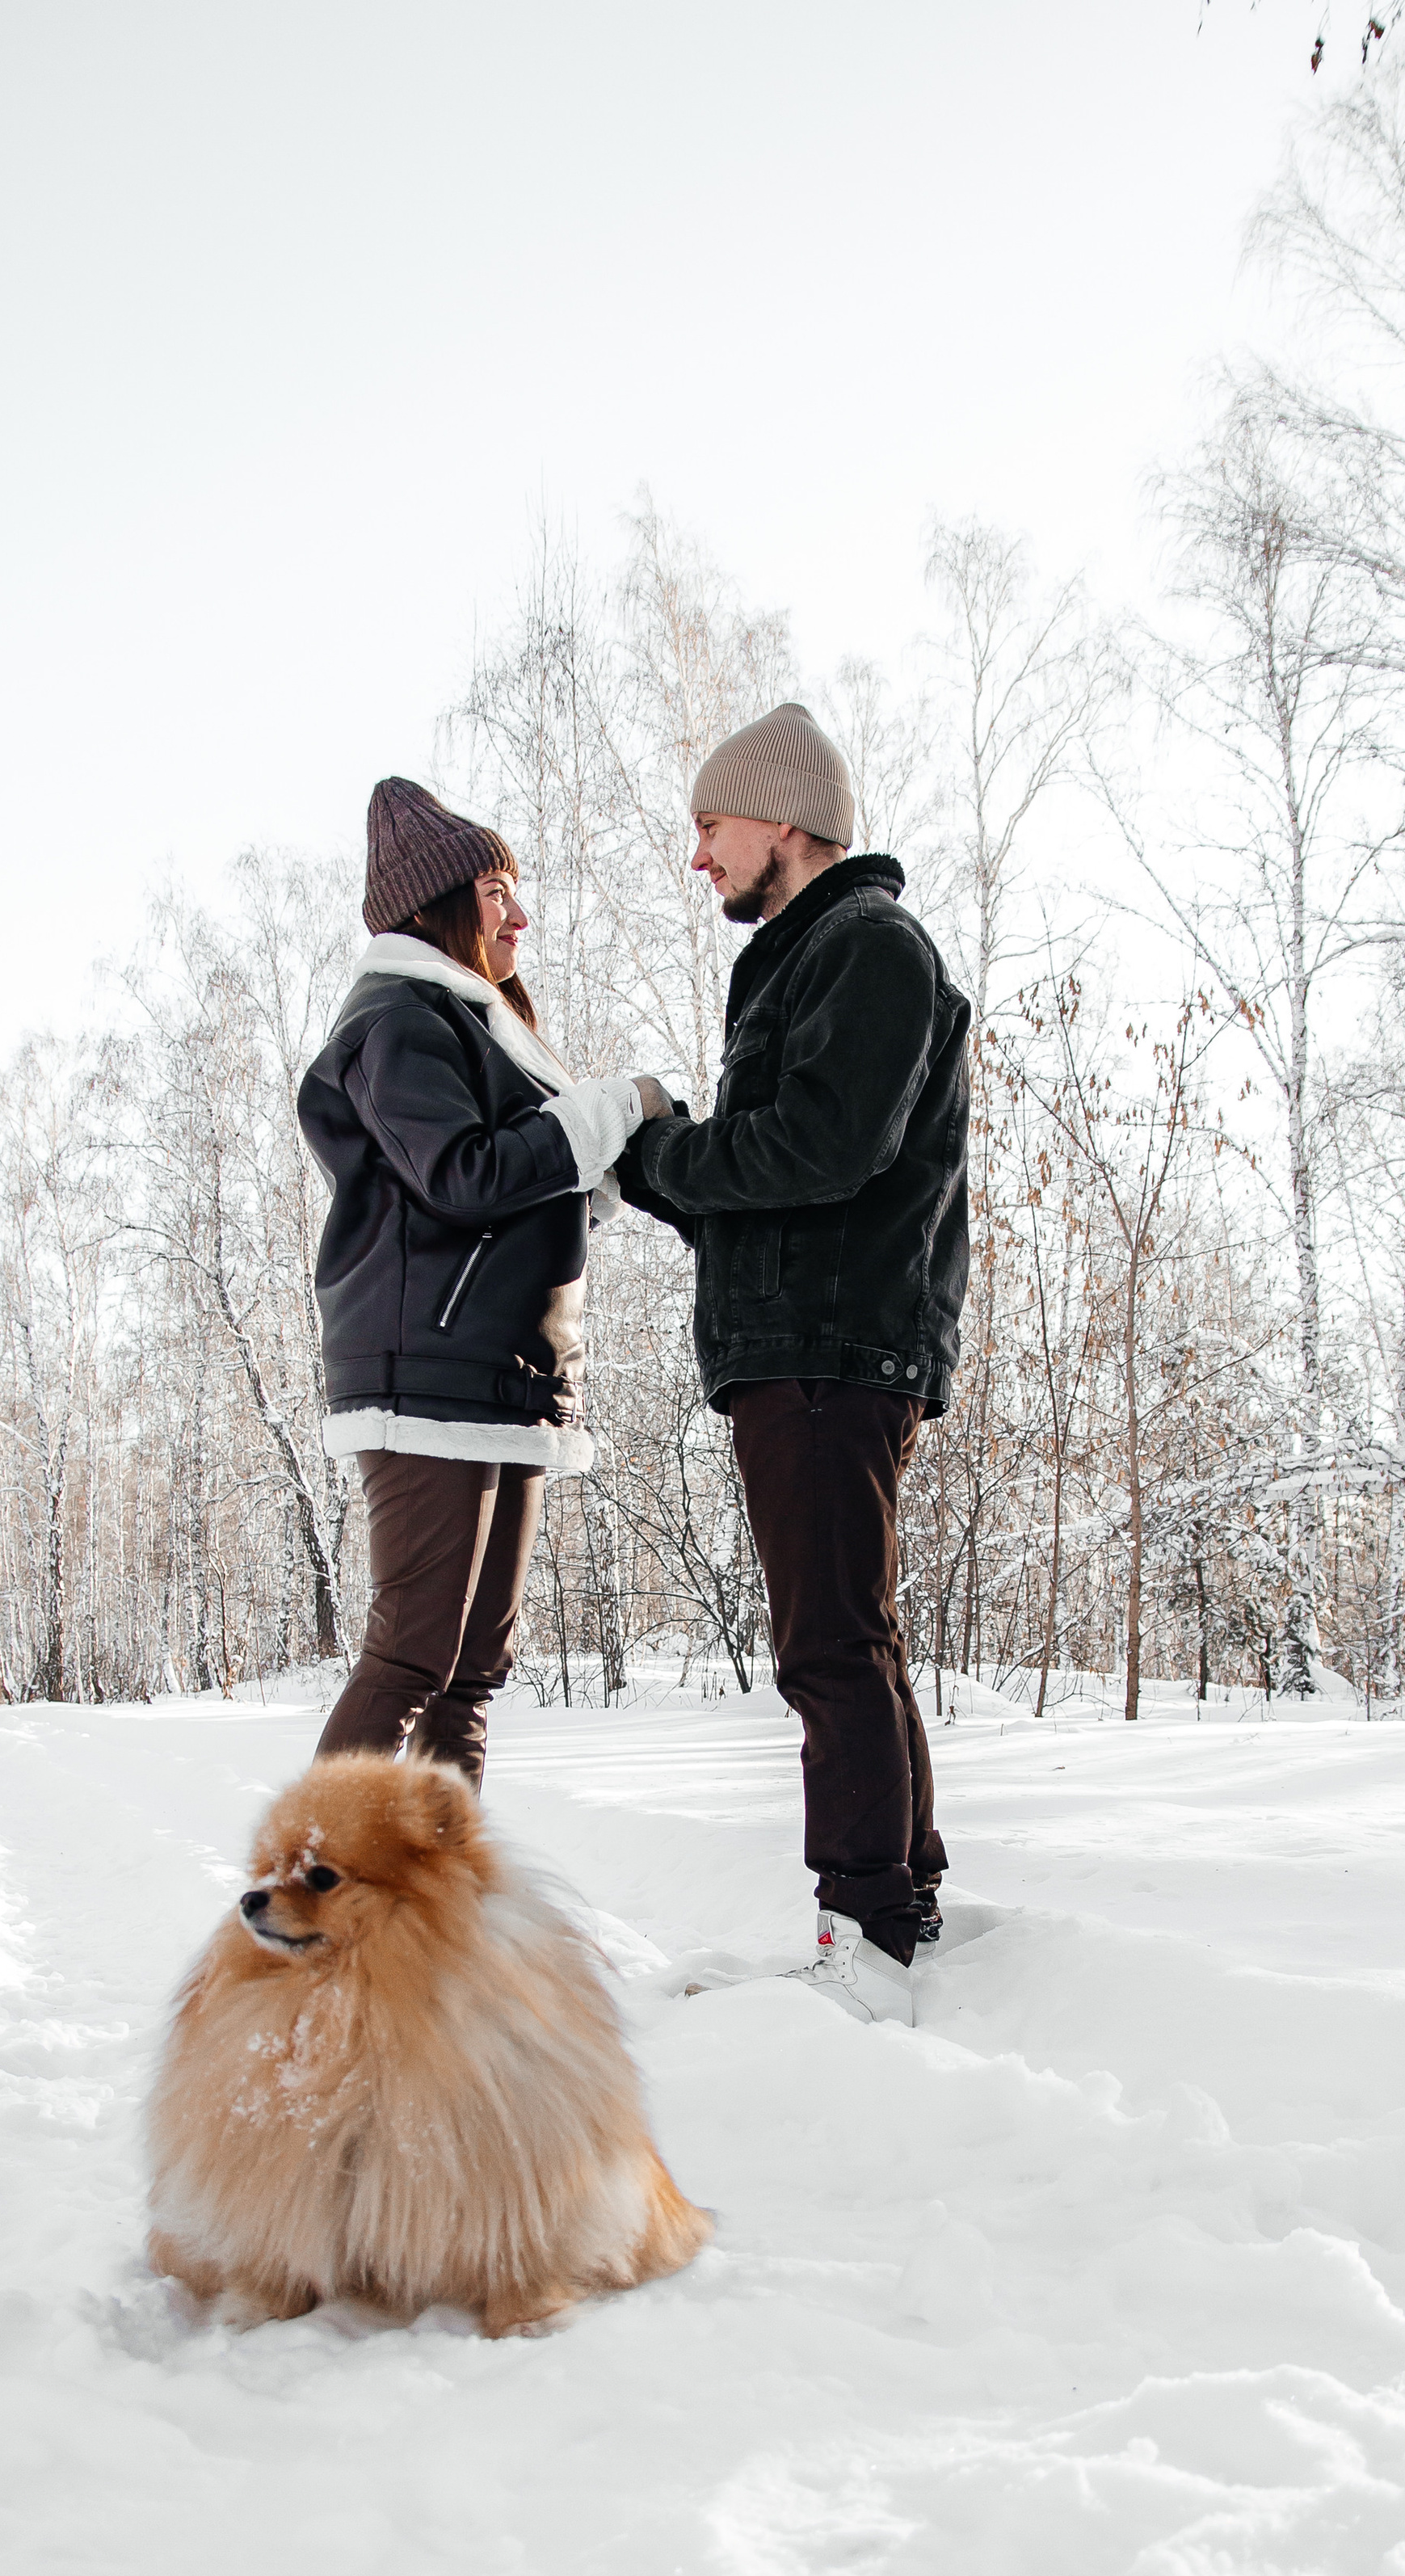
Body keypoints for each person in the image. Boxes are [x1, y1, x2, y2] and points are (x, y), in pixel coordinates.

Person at [616, 703, 972, 2024]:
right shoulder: (809, 956)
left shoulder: (866, 946)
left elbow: (825, 1149)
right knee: (849, 1634)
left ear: (782, 819)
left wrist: (663, 1154)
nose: (698, 855)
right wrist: (663, 1166)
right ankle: (899, 1907)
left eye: (710, 825)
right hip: (809, 1342)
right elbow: (777, 1176)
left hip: (832, 1345)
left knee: (829, 1644)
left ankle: (868, 1937)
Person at [299, 777, 671, 1787]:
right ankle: (312, 1882)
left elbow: (515, 1193)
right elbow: (463, 1177)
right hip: (429, 1375)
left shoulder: (470, 1022)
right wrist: (607, 1108)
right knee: (413, 1656)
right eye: (497, 891)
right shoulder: (400, 1020)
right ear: (439, 904)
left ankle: (434, 1876)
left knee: (470, 1673)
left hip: (501, 1375)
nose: (519, 916)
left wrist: (602, 1161)